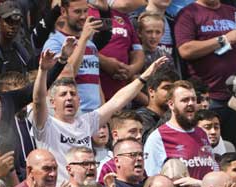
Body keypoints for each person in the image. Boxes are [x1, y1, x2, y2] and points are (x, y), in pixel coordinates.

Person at [31, 47, 167, 178]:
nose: (69, 98)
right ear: (53, 102)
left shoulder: (86, 122)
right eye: (63, 94)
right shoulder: (46, 125)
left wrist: (144, 77)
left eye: (73, 94)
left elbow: (117, 101)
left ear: (79, 100)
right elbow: (38, 100)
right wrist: (43, 71)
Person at [174, 0, 236, 149]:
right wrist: (224, 39)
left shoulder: (232, 11)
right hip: (207, 98)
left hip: (235, 96)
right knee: (204, 148)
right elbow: (185, 49)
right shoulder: (188, 13)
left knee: (234, 150)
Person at [144, 80, 218, 179]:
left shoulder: (202, 133)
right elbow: (152, 180)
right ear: (171, 104)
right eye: (185, 100)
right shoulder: (158, 137)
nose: (191, 103)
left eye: (194, 99)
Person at [136, 69, 177, 139]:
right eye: (167, 88)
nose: (172, 92)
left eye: (175, 89)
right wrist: (173, 111)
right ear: (151, 91)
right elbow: (147, 140)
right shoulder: (139, 117)